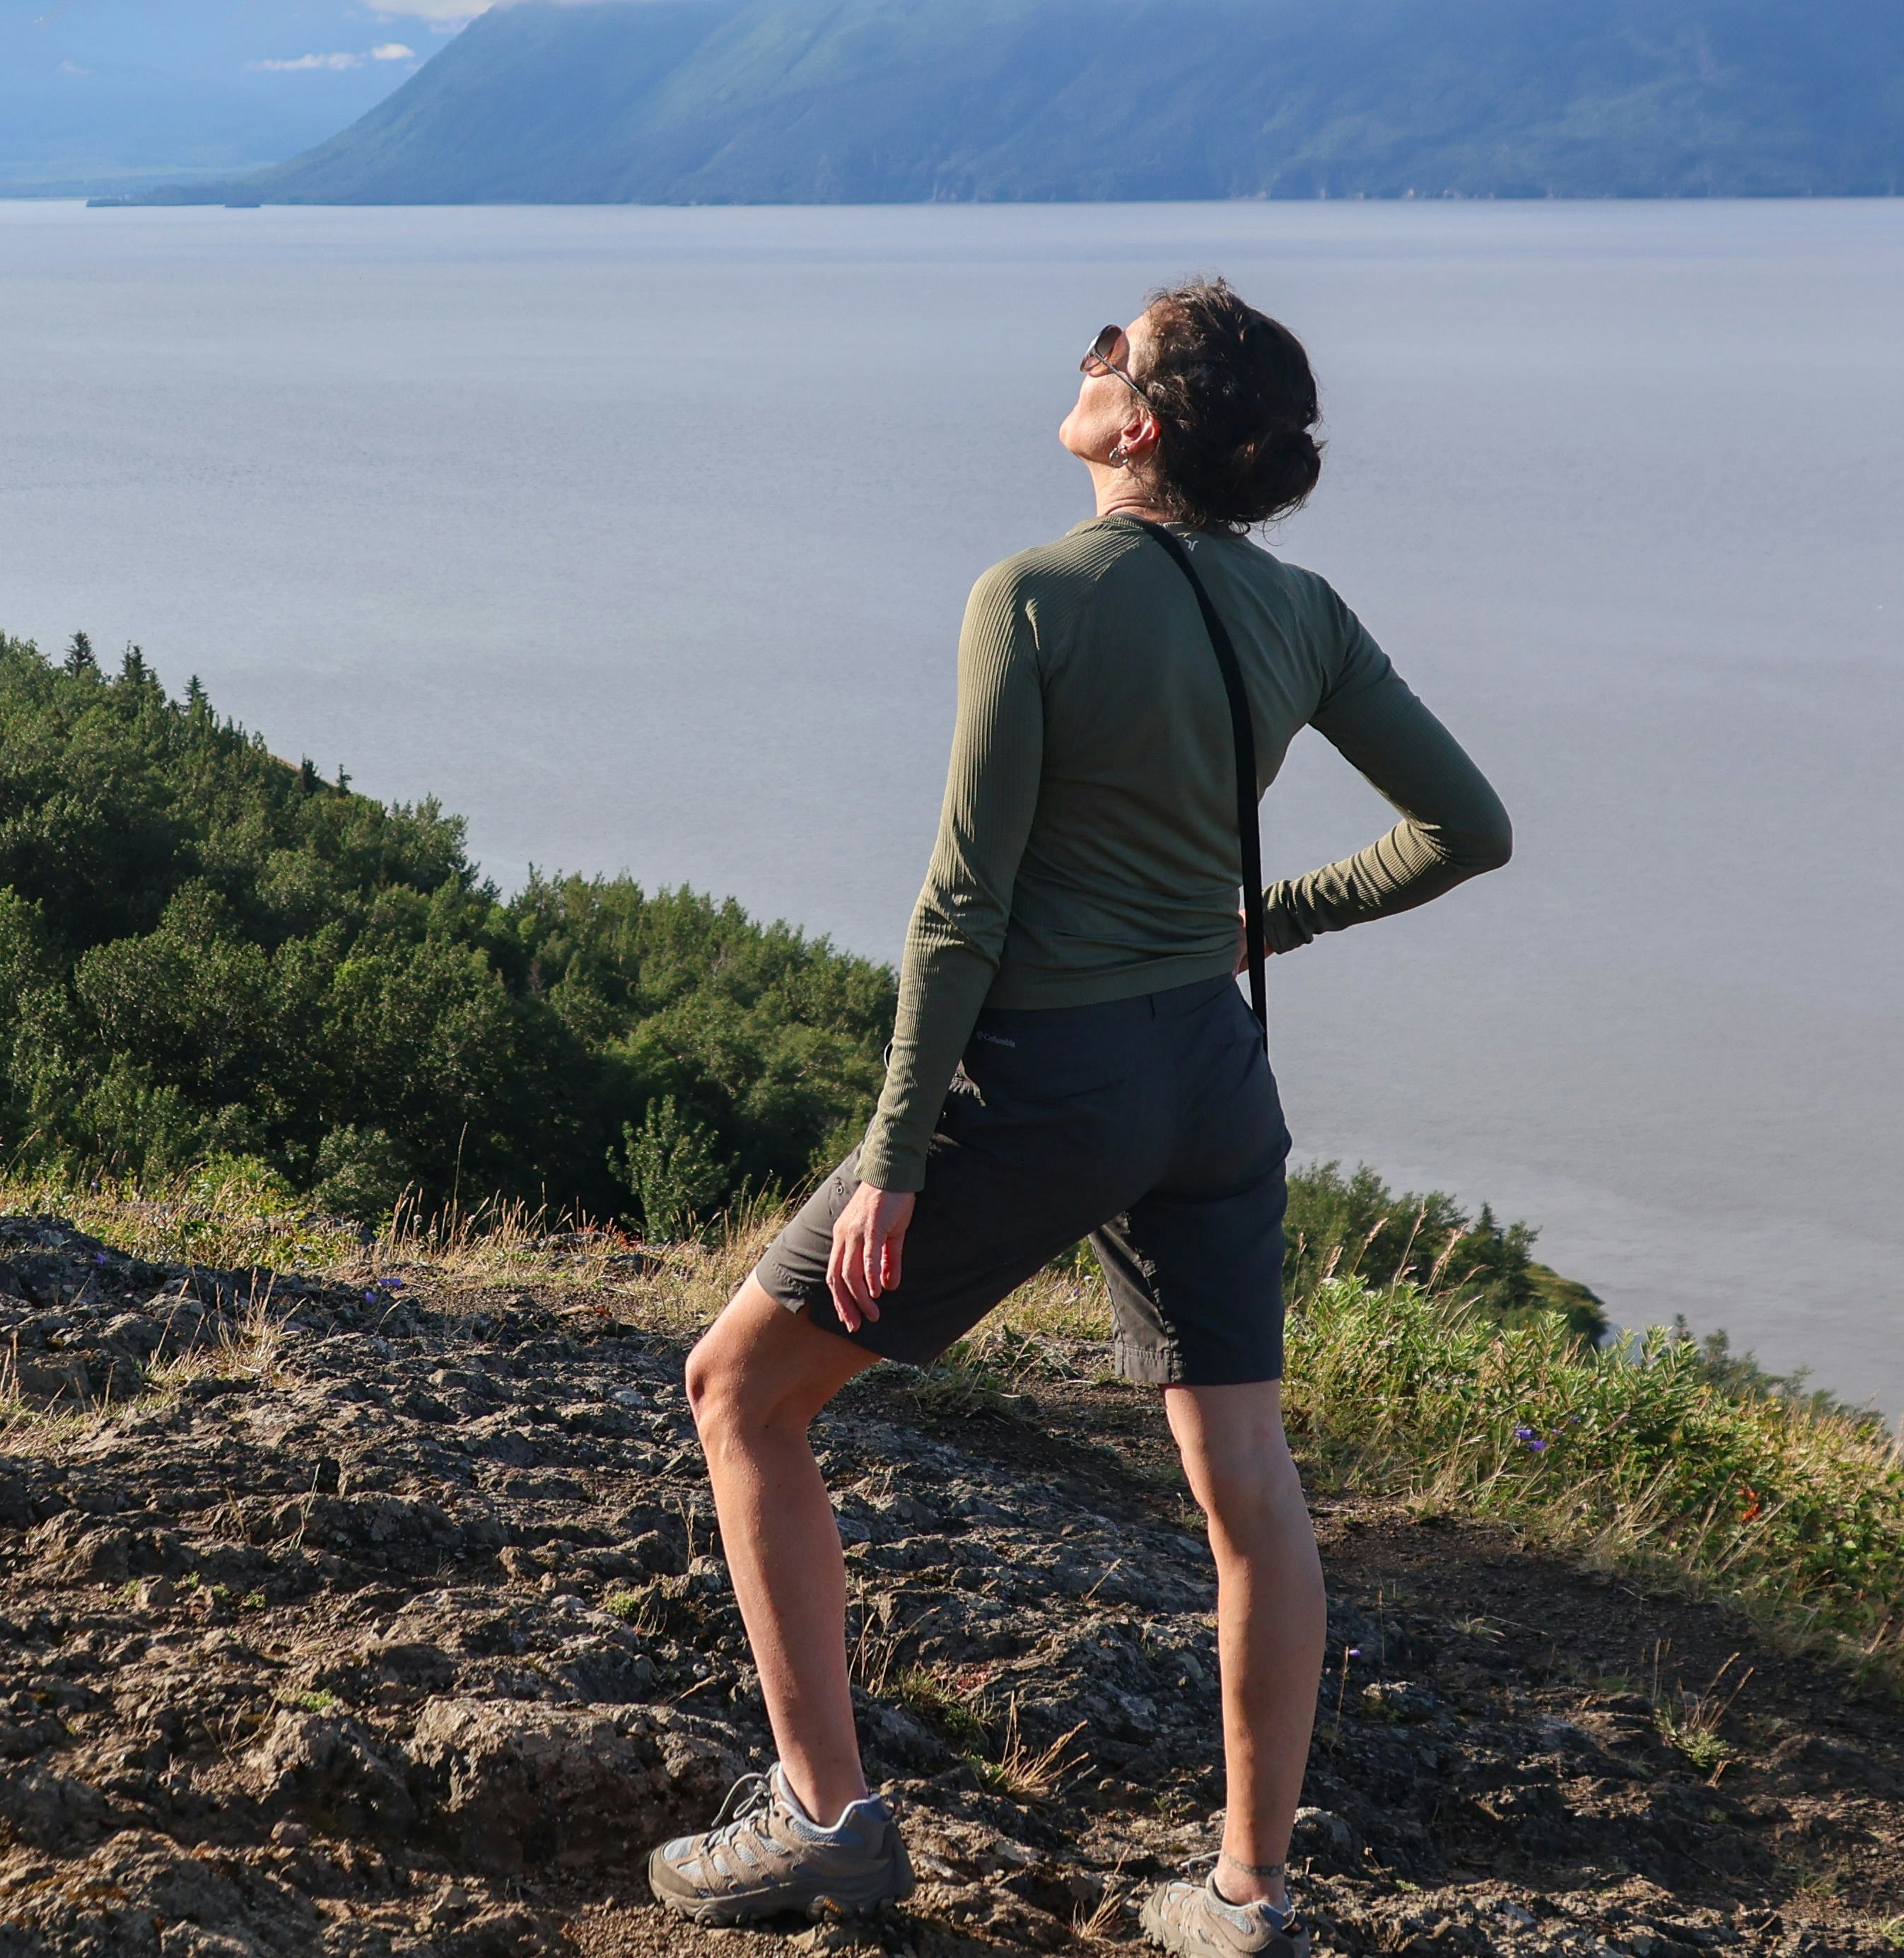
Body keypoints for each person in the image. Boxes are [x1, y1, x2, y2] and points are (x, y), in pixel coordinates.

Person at [643, 276, 1514, 1956]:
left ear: (1142, 425)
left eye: (1111, 347)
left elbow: (961, 908)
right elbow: (1465, 825)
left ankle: (825, 1818)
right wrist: (1286, 916)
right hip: (1214, 1076)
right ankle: (1246, 1896)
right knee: (1248, 1482)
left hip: (1050, 1078)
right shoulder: (1305, 610)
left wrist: (896, 1156)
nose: (1089, 355)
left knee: (737, 1385)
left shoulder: (1032, 594)